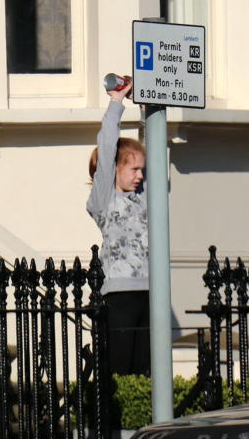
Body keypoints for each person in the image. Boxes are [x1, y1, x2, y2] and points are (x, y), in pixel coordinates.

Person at [86, 81, 149, 378]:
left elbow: (158, 146)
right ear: (116, 170)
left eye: (142, 170)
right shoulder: (104, 200)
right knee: (120, 370)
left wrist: (148, 107)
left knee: (145, 370)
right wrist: (117, 104)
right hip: (120, 294)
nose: (140, 176)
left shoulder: (146, 198)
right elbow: (108, 147)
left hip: (152, 292)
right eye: (133, 169)